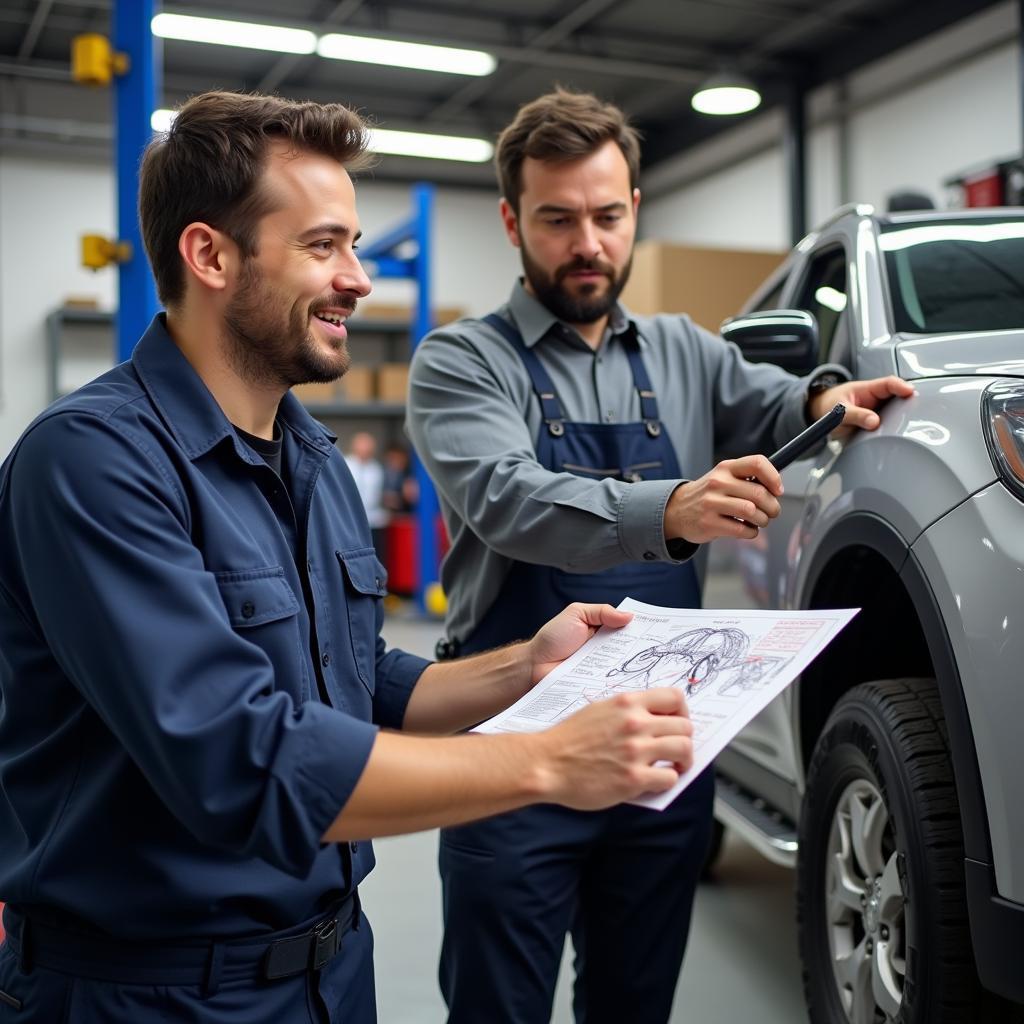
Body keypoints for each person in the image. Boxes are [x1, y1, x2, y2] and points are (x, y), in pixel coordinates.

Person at [0, 92, 699, 1024]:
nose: (359, 280)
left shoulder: (312, 459)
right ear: (210, 254)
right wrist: (548, 763)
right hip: (148, 993)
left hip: (329, 973)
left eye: (356, 245)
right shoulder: (92, 463)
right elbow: (240, 760)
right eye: (323, 246)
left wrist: (522, 671)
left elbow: (359, 674)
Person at [406, 88, 915, 1024]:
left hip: (660, 748)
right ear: (514, 221)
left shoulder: (686, 350)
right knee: (494, 1008)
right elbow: (510, 500)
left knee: (636, 1004)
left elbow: (775, 396)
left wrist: (825, 397)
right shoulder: (460, 361)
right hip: (512, 748)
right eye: (557, 220)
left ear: (634, 208)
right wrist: (674, 506)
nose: (586, 244)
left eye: (606, 216)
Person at [344, 430, 388, 560]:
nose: (366, 449)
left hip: (372, 521)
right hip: (350, 521)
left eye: (369, 446)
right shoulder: (346, 464)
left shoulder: (376, 468)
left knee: (374, 555)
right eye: (363, 445)